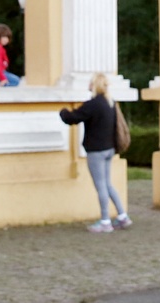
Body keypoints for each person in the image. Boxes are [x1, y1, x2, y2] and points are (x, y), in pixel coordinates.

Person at [60, 73, 133, 233]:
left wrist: (63, 111)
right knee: (107, 184)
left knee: (100, 186)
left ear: (94, 85)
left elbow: (72, 118)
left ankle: (105, 221)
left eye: (90, 83)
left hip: (96, 151)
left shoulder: (92, 104)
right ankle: (123, 216)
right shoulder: (110, 103)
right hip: (109, 149)